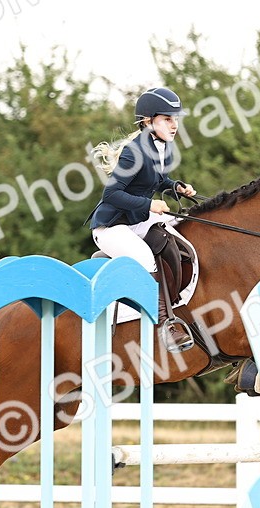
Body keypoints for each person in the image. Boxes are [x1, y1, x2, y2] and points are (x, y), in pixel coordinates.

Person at [87, 87, 197, 351]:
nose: (174, 125)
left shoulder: (162, 148)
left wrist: (176, 187)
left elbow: (157, 180)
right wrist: (150, 204)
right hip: (112, 227)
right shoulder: (133, 153)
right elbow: (112, 194)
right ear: (148, 121)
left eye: (176, 119)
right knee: (146, 258)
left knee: (183, 231)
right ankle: (165, 326)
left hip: (137, 220)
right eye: (167, 119)